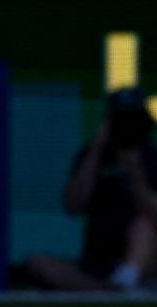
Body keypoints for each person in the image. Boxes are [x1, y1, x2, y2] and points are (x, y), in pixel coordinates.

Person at [21, 87, 157, 291]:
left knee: (144, 223)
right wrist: (97, 148)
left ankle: (129, 276)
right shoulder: (92, 157)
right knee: (38, 263)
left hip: (144, 260)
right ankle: (111, 291)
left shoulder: (152, 159)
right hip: (97, 263)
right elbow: (73, 205)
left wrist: (135, 174)